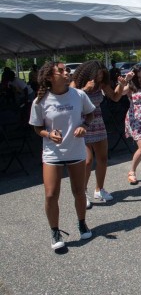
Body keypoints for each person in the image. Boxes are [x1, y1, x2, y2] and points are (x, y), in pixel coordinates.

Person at [28, 62, 95, 250]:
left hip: (76, 151)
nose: (67, 72)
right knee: (50, 195)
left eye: (67, 69)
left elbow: (90, 114)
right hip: (52, 153)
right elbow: (37, 127)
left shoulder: (78, 95)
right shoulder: (40, 101)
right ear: (50, 77)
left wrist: (84, 126)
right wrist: (48, 135)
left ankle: (82, 223)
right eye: (62, 70)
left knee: (79, 191)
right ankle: (55, 231)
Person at [71, 60, 130, 209]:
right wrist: (84, 89)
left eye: (102, 76)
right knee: (87, 161)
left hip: (98, 123)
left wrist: (122, 85)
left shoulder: (102, 84)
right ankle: (82, 193)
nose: (99, 78)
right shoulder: (76, 84)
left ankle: (99, 189)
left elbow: (115, 97)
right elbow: (70, 102)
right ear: (88, 73)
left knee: (103, 158)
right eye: (97, 75)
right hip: (82, 125)